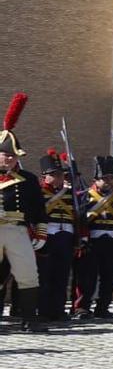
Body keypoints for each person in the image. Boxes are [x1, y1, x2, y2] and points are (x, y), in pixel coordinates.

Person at [0, 96, 46, 327]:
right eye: (6, 155)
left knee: (28, 274)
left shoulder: (27, 180)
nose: (9, 159)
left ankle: (30, 320)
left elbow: (39, 208)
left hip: (17, 231)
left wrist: (40, 232)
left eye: (13, 156)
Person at [75, 156, 113, 320]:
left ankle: (103, 307)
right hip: (92, 241)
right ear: (96, 179)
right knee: (87, 277)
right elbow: (79, 219)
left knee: (109, 277)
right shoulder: (84, 196)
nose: (109, 181)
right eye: (105, 178)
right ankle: (82, 307)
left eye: (111, 178)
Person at [35, 149, 74, 329]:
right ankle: (43, 311)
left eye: (60, 174)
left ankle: (58, 310)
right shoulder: (39, 192)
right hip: (46, 236)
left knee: (61, 275)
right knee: (45, 276)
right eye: (55, 175)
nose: (59, 178)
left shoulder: (68, 193)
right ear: (46, 176)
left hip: (65, 236)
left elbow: (76, 215)